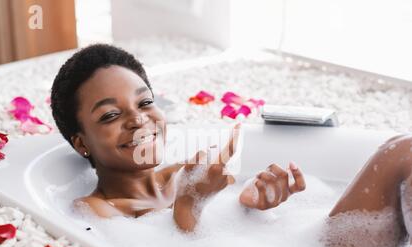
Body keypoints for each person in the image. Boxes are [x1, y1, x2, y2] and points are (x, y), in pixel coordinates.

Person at [50, 44, 306, 232]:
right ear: (82, 143)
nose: (138, 119)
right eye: (111, 115)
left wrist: (249, 205)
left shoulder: (184, 174)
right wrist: (188, 206)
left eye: (145, 102)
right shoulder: (95, 211)